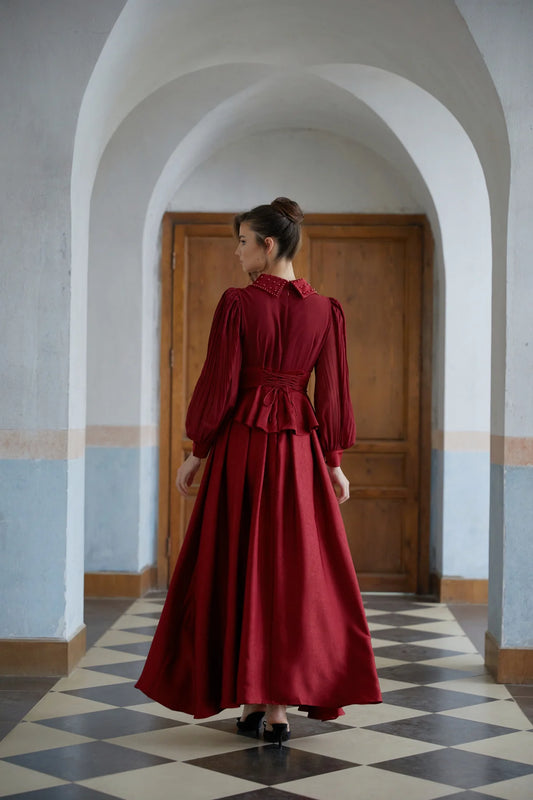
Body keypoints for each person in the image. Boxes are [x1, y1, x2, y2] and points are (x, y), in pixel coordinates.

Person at [135, 197, 382, 747]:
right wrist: (333, 462)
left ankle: (254, 700)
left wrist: (198, 449)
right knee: (290, 573)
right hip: (298, 455)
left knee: (239, 563)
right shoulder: (327, 311)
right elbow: (334, 395)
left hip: (243, 452)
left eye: (243, 241)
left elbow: (221, 384)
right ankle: (272, 708)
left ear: (268, 245)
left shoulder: (237, 305)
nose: (238, 252)